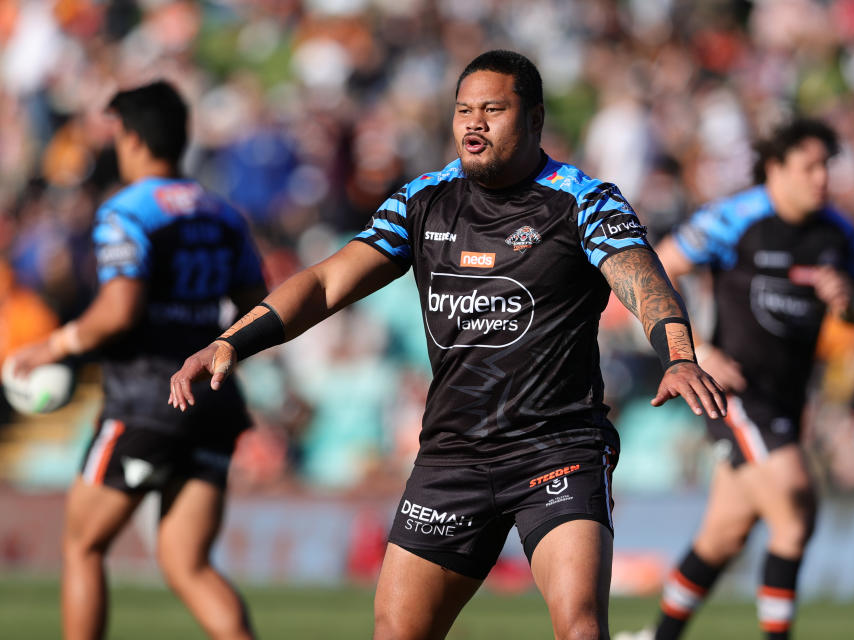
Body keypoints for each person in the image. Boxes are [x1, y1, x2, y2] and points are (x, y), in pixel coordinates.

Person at [169, 50, 725, 640]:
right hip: (452, 455)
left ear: (534, 119)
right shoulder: (423, 200)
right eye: (463, 110)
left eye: (493, 109)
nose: (473, 124)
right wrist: (233, 341)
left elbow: (644, 281)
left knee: (581, 629)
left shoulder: (583, 200)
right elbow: (328, 281)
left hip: (555, 448)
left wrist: (678, 355)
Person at [9, 81, 266, 640]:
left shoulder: (127, 210)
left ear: (130, 137)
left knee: (82, 545)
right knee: (188, 564)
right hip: (213, 399)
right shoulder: (224, 214)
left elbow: (118, 310)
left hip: (146, 399)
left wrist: (53, 345)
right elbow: (257, 307)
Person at [625, 119, 854, 640]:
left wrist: (848, 302)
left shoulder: (838, 232)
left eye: (828, 165)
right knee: (795, 507)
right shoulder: (735, 218)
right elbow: (659, 269)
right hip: (732, 393)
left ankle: (656, 637)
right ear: (776, 169)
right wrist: (696, 353)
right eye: (810, 166)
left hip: (786, 399)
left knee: (724, 535)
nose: (822, 177)